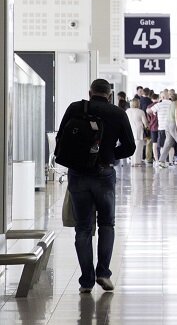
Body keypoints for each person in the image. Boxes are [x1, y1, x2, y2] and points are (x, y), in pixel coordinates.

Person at [57, 79, 135, 293]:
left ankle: (86, 281)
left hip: (78, 174)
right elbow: (130, 147)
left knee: (82, 227)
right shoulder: (118, 113)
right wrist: (108, 155)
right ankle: (103, 273)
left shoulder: (75, 108)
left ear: (89, 92)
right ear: (109, 95)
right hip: (104, 173)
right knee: (107, 224)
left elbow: (60, 138)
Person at [125, 98, 148, 166]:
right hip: (138, 131)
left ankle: (132, 162)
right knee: (138, 147)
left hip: (130, 131)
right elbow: (145, 123)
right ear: (138, 103)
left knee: (132, 146)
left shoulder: (127, 111)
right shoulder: (140, 111)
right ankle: (137, 162)